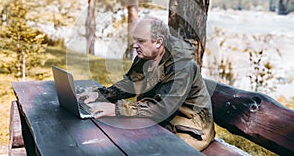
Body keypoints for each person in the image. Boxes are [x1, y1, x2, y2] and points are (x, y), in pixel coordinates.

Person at [81, 16, 215, 151]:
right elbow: (130, 84)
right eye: (135, 40)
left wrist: (117, 109)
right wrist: (100, 95)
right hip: (160, 120)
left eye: (141, 41)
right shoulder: (146, 56)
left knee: (149, 150)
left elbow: (162, 107)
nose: (134, 45)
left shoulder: (182, 66)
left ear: (158, 42)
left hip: (190, 128)